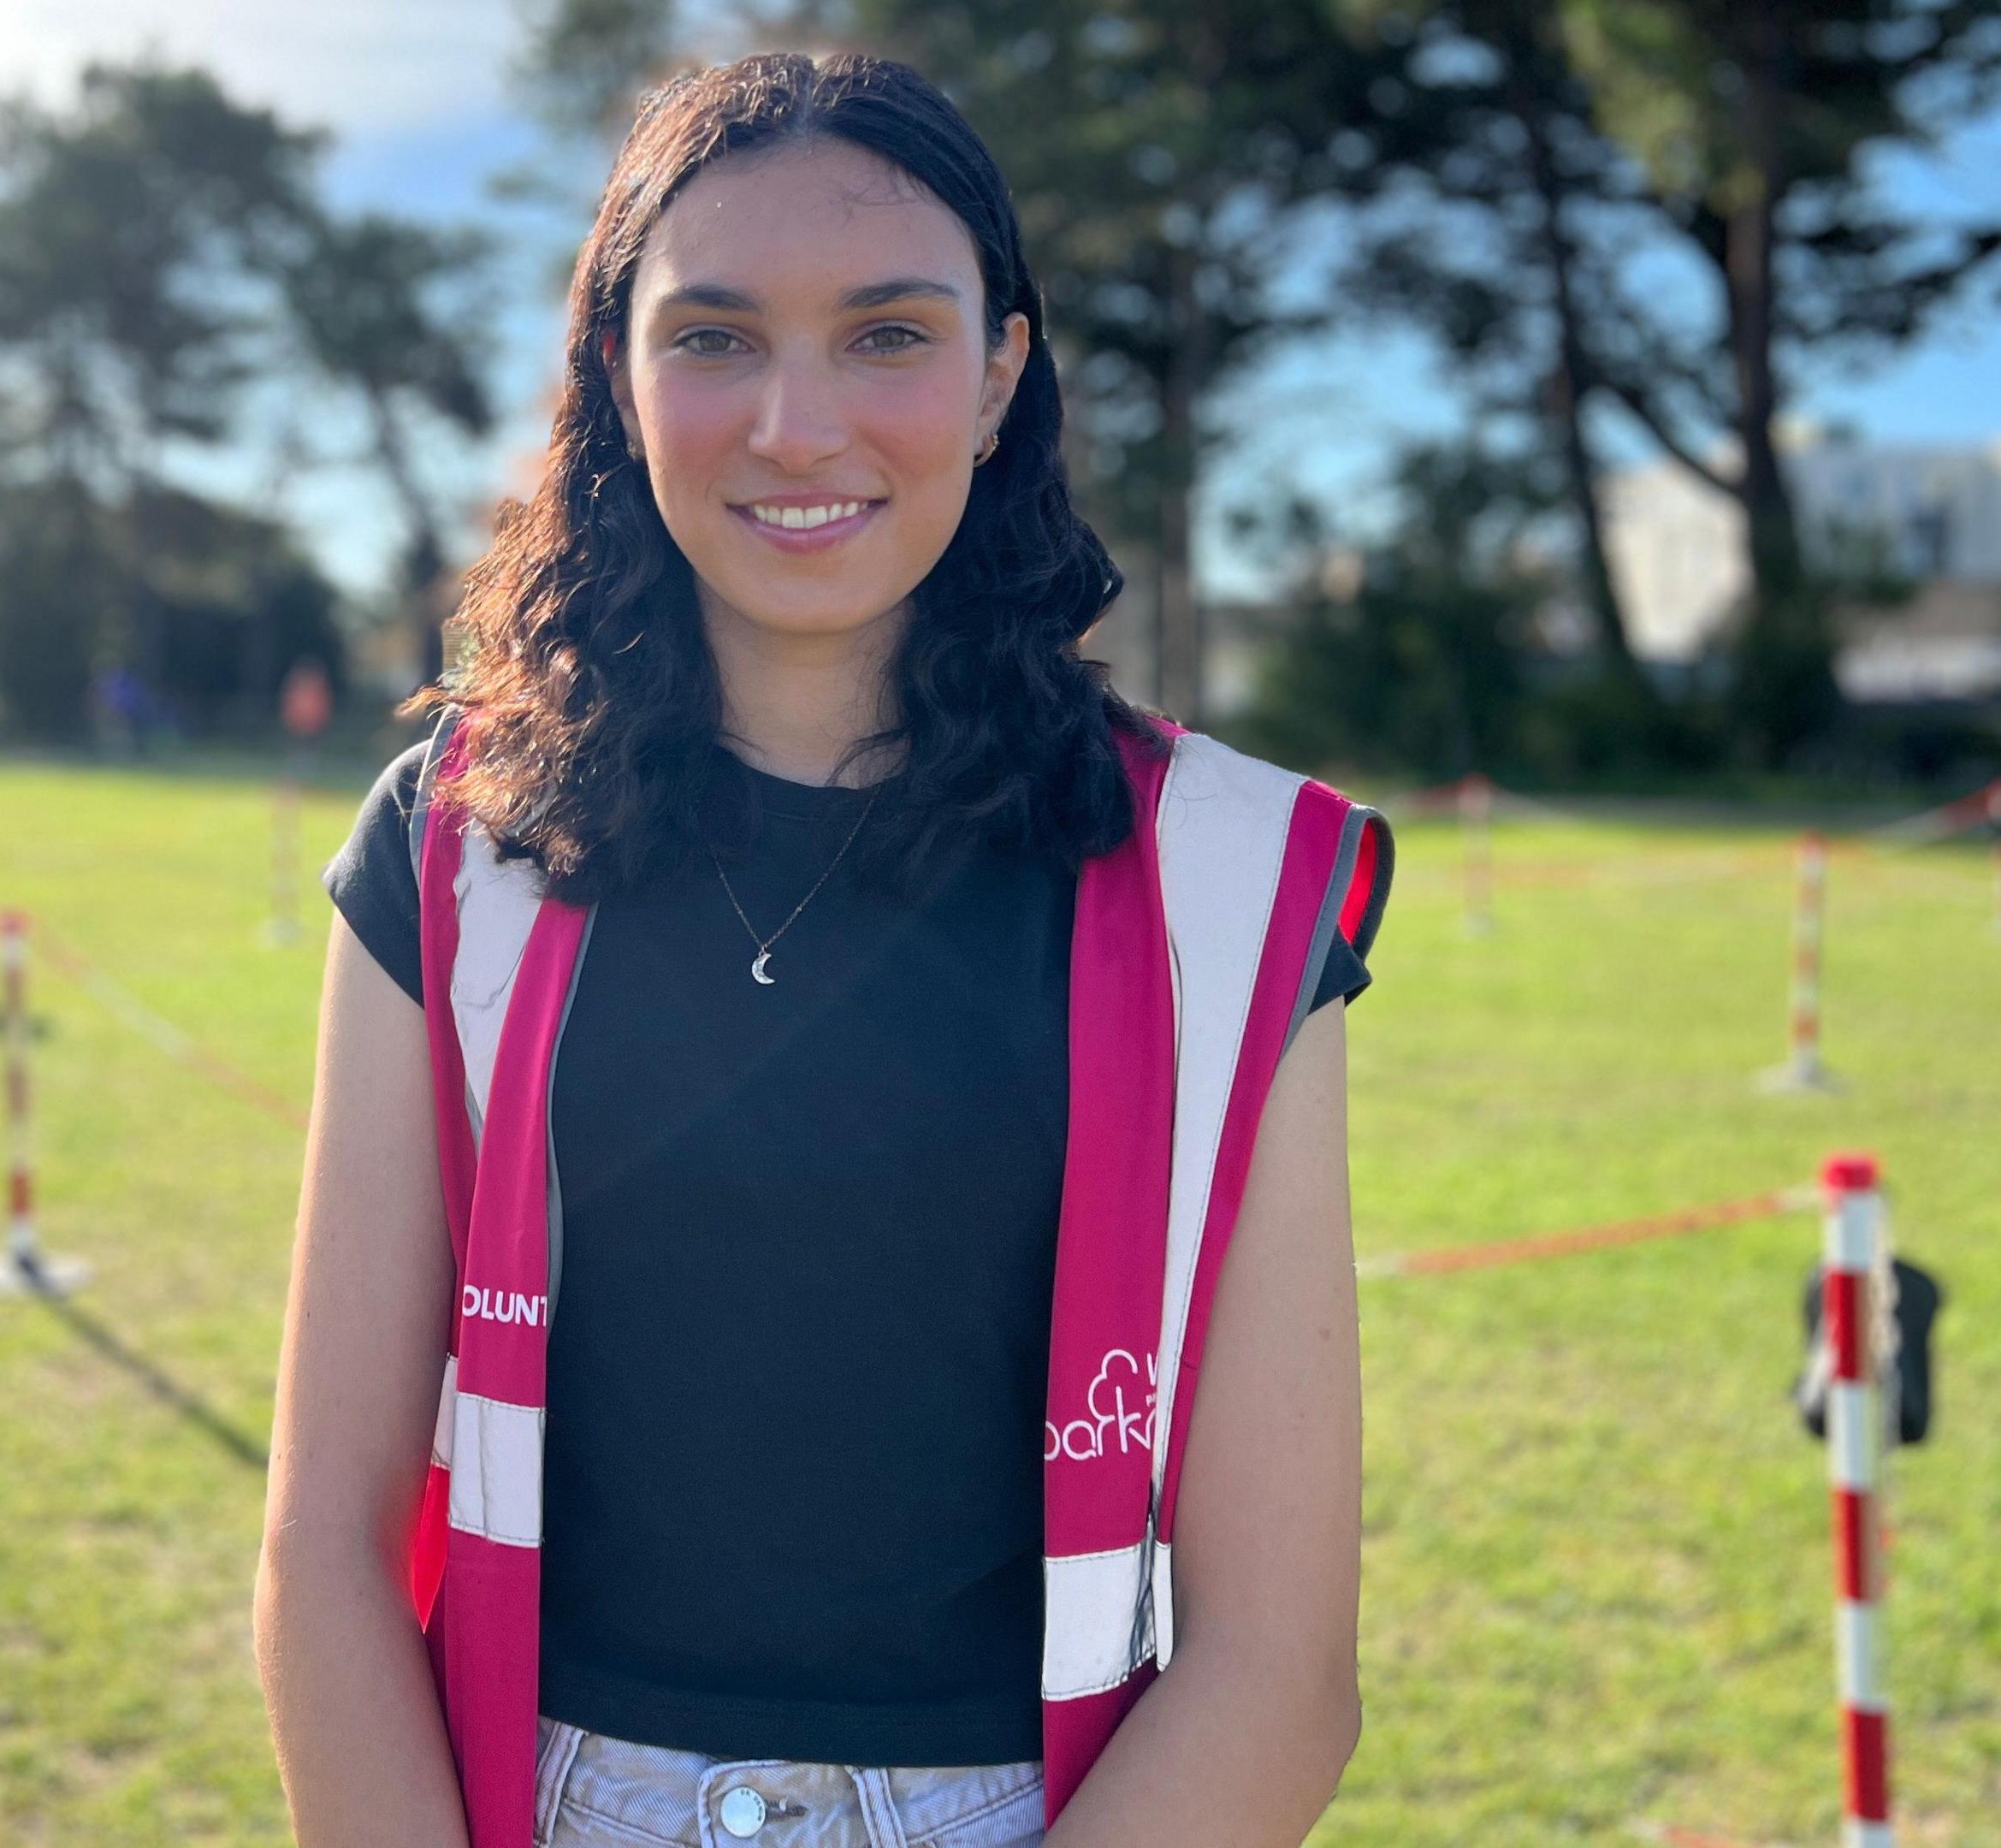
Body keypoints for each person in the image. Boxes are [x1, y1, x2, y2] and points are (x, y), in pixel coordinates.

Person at [258, 55, 1392, 1848]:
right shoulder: (453, 848)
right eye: (712, 337)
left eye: (887, 334)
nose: (797, 423)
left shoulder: (1236, 885)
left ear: (1005, 369)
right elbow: (323, 1553)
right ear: (615, 378)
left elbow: (1276, 1667)